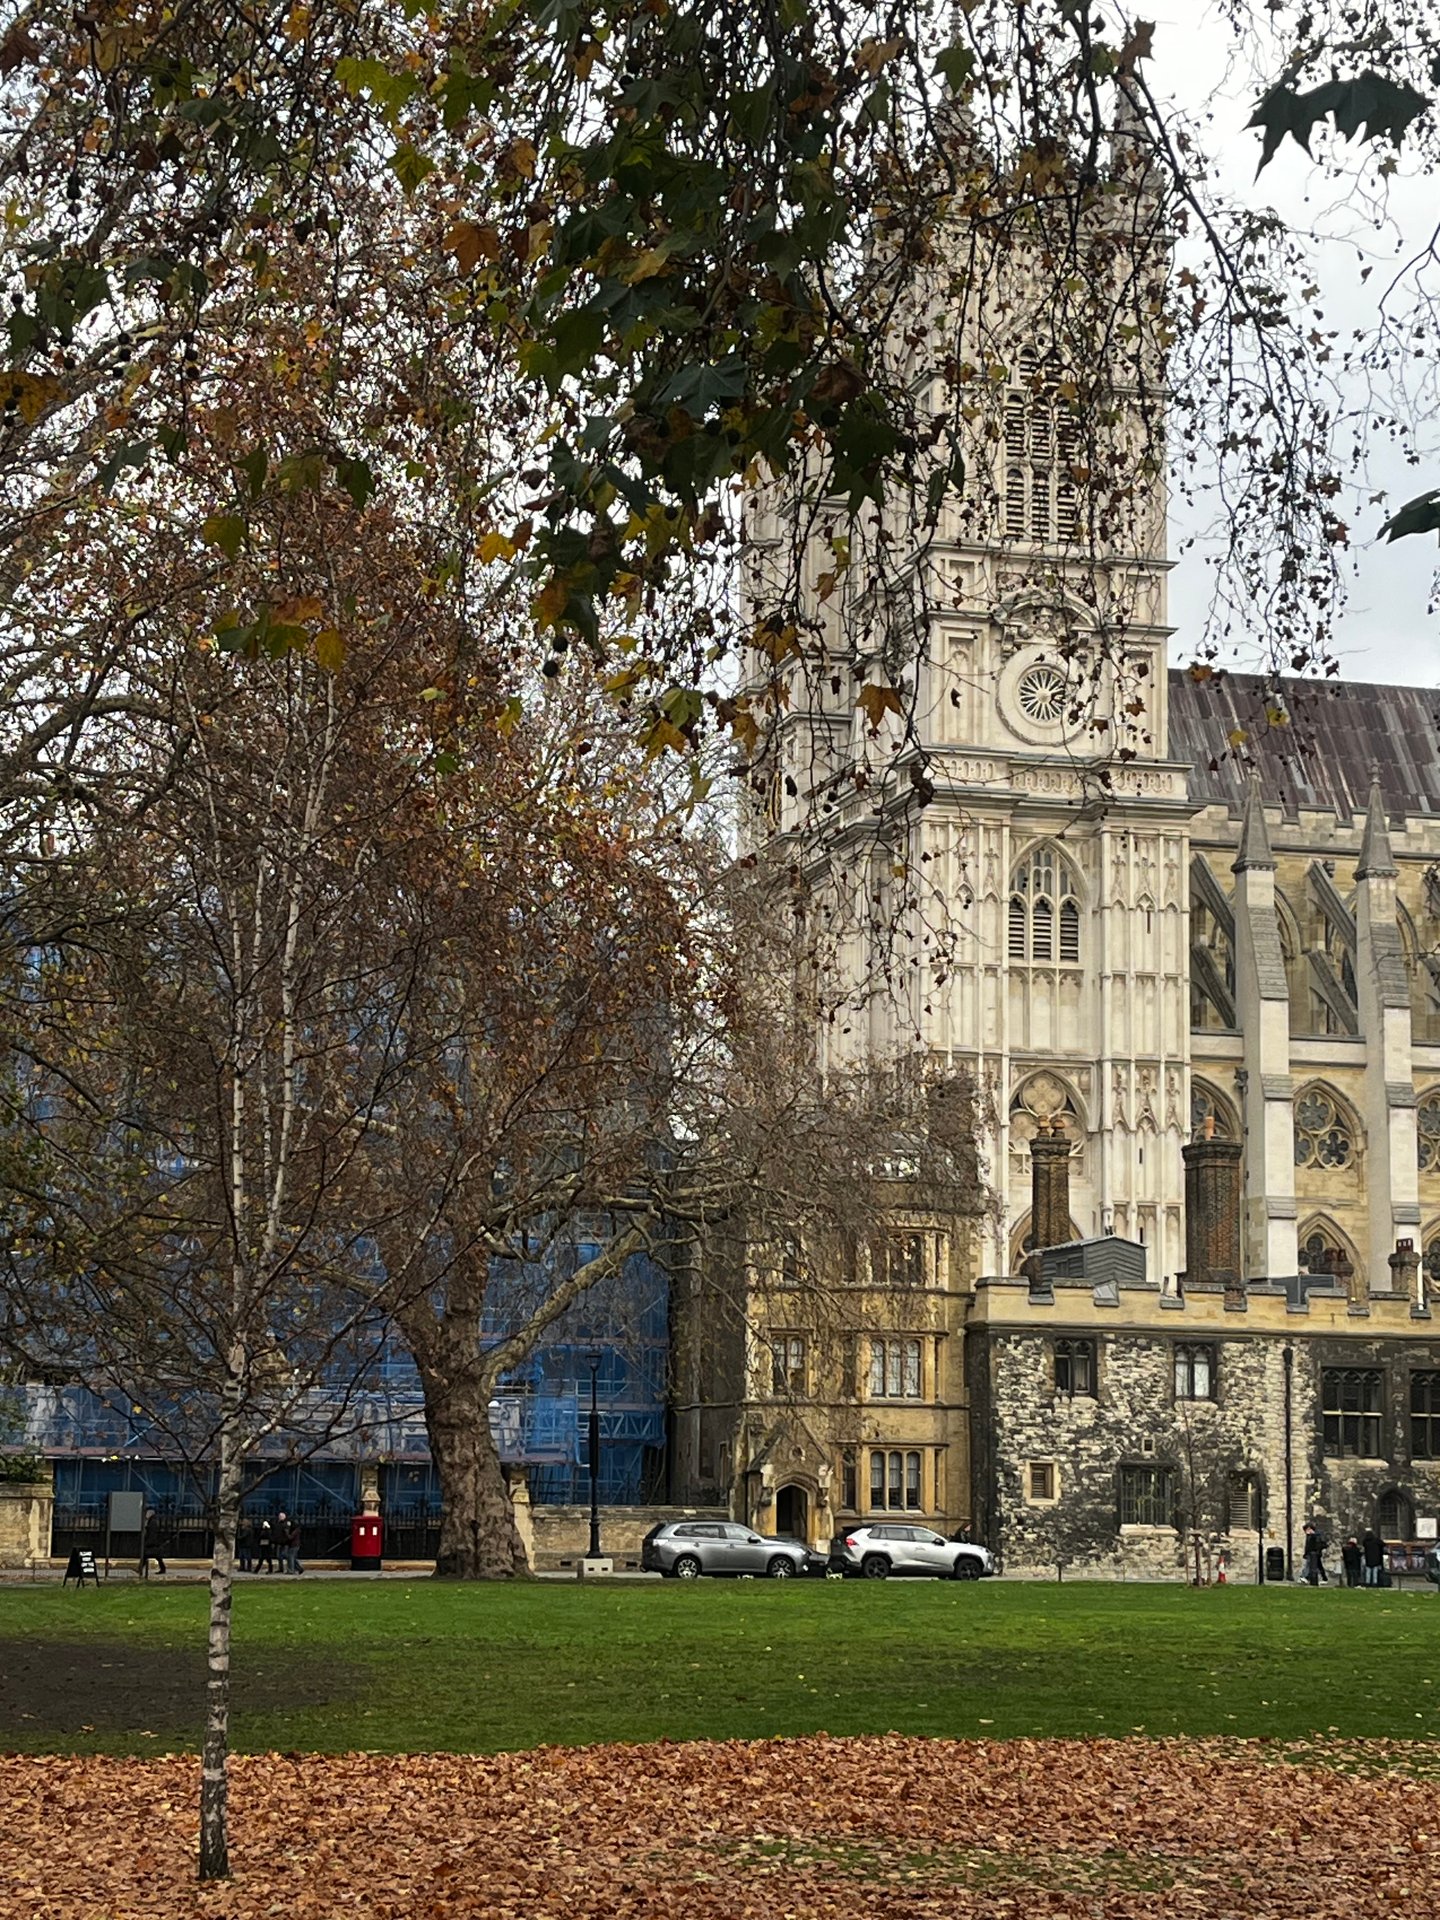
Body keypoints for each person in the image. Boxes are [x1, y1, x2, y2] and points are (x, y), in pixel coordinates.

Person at [139, 1507, 167, 1579]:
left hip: (151, 1542)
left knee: (146, 1555)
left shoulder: (152, 1522)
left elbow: (152, 1534)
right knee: (156, 1556)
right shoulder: (152, 1521)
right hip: (153, 1542)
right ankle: (162, 1568)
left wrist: (148, 1542)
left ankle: (140, 1569)